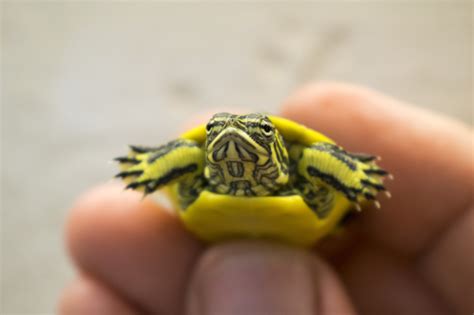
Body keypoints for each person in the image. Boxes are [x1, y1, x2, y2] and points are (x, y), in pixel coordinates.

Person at [59, 83, 473, 315]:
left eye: (256, 133)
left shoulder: (303, 160)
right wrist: (154, 165)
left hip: (317, 237)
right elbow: (184, 154)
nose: (232, 136)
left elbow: (319, 157)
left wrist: (352, 174)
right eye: (219, 133)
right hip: (228, 235)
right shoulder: (196, 163)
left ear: (274, 144)